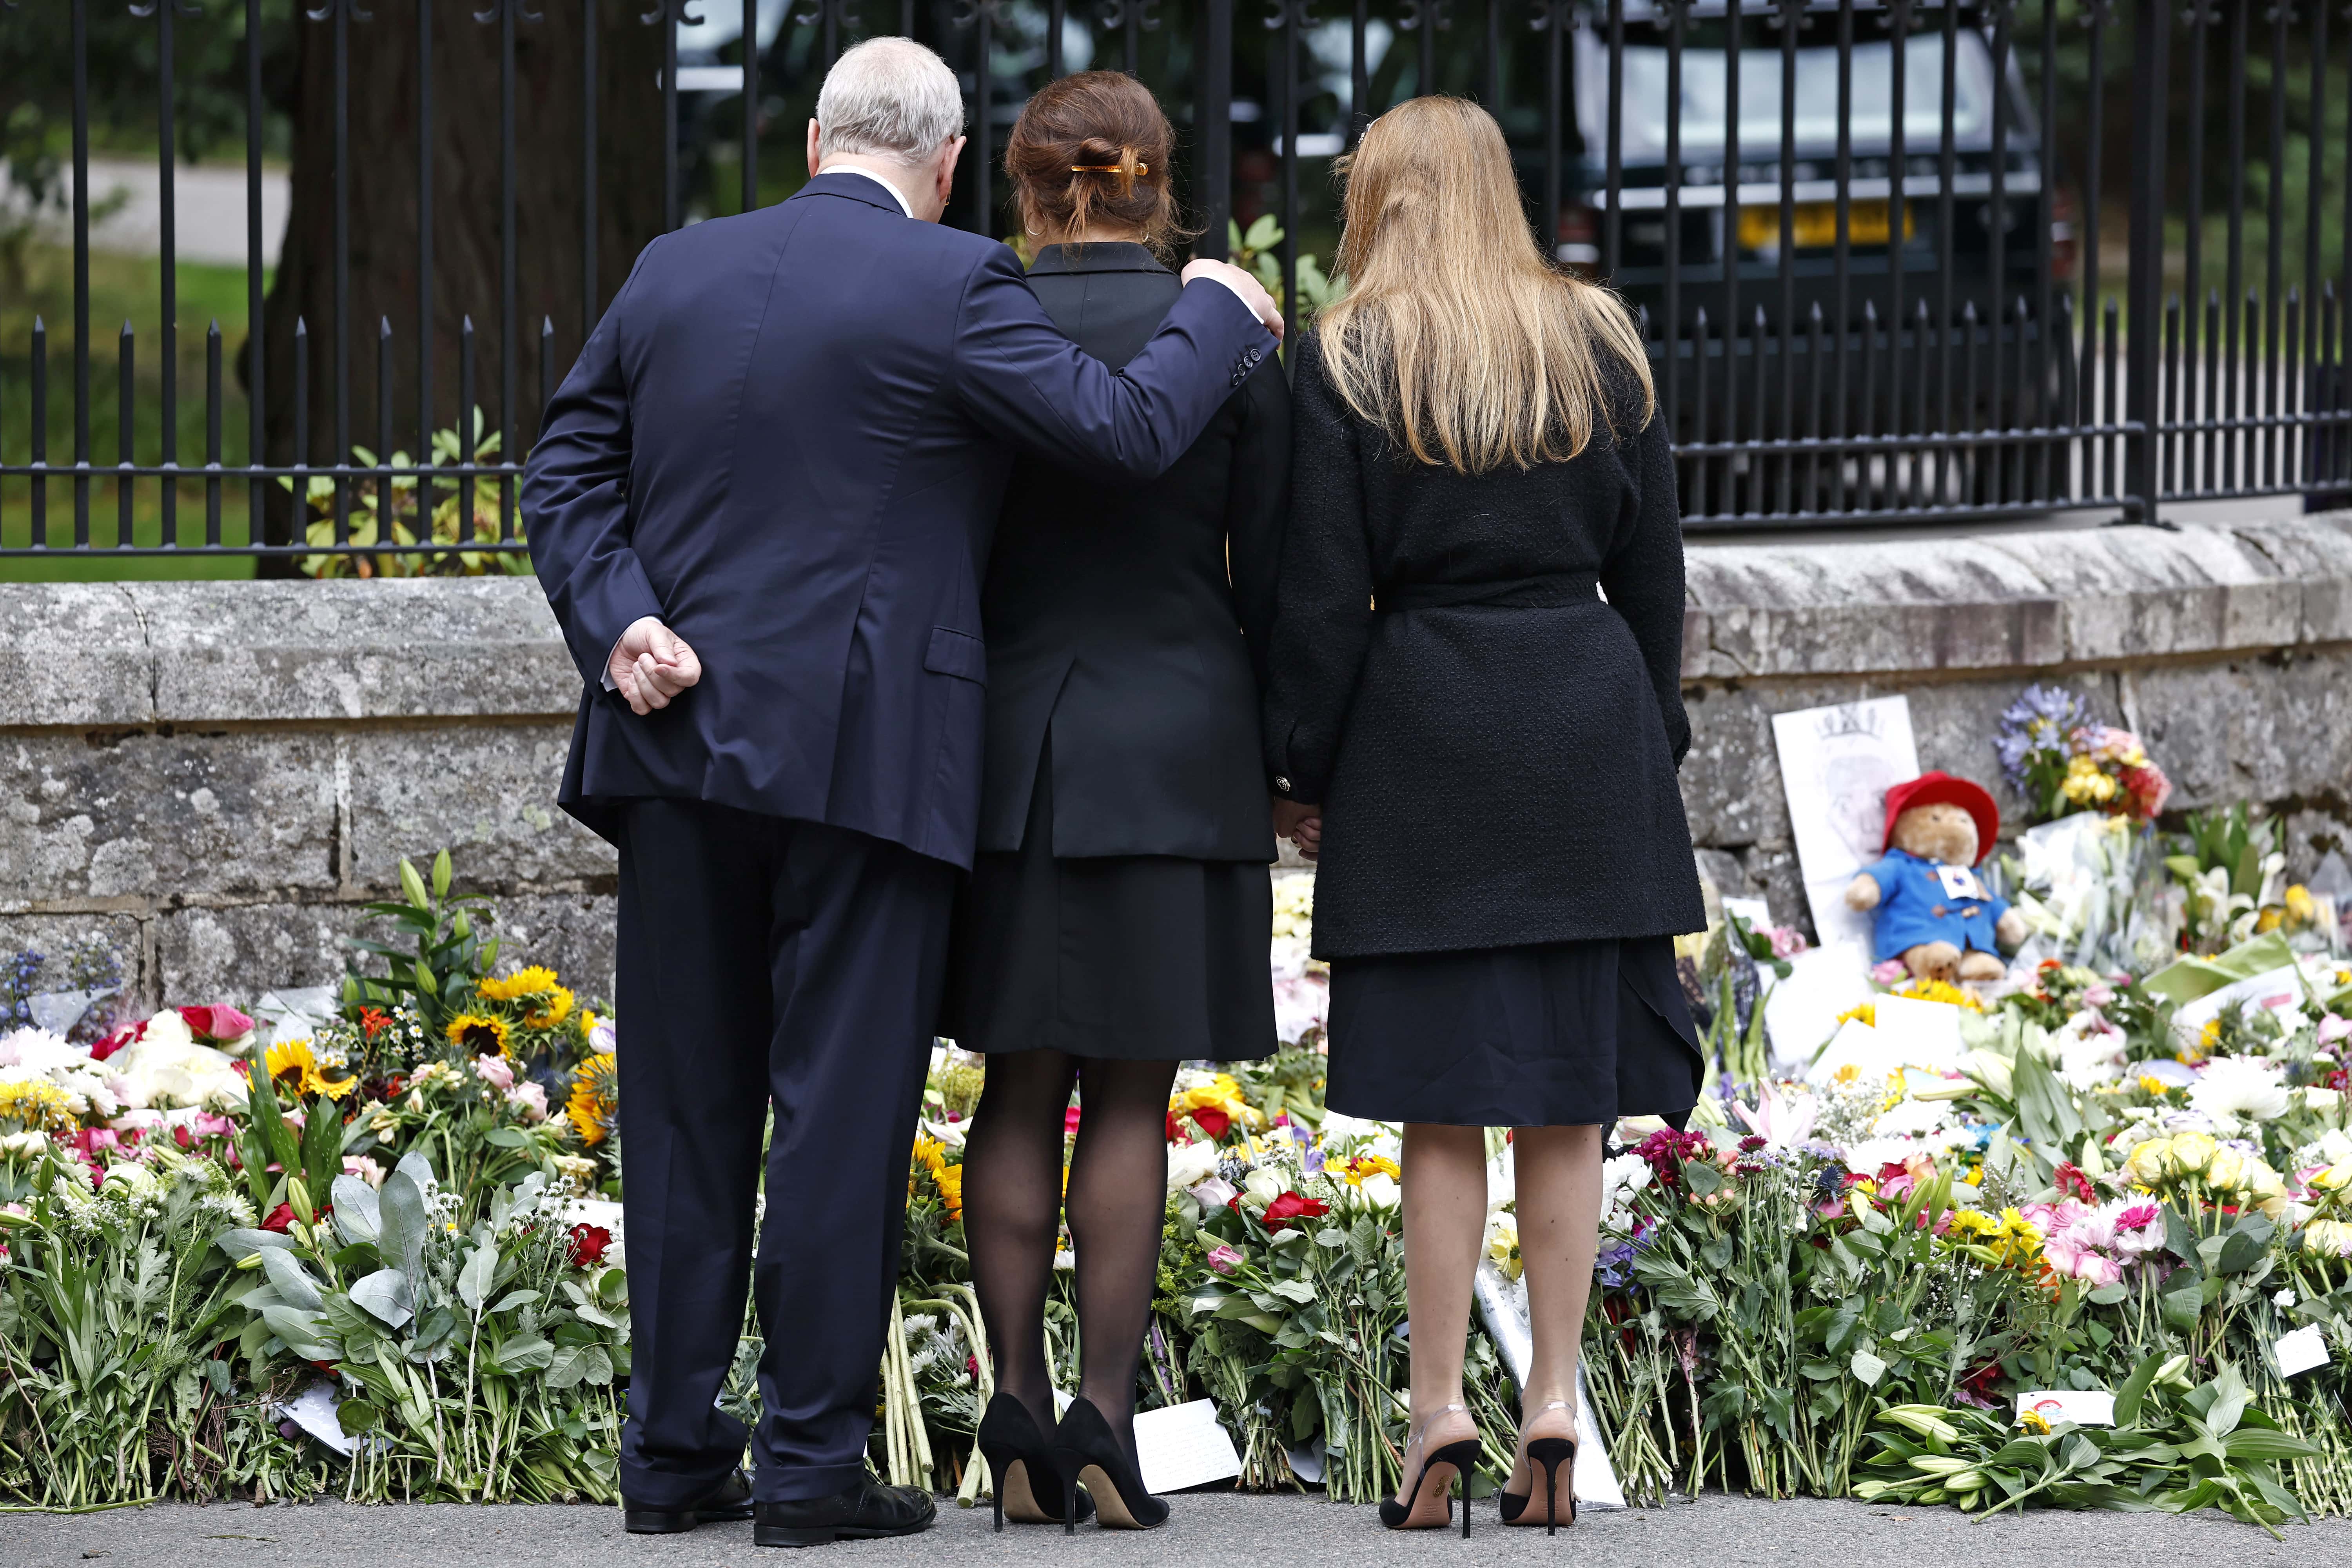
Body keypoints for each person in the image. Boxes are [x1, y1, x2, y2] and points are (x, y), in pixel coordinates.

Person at [523, 37, 1279, 1550]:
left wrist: (621, 620)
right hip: (863, 763)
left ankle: (672, 1456)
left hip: (672, 749)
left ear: (813, 141)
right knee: (835, 1116)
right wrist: (1216, 309)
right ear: (943, 170)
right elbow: (1121, 432)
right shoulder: (953, 285)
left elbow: (565, 468)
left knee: (682, 1115)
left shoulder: (673, 266)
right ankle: (807, 1470)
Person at [1262, 96, 1704, 1536]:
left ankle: (1439, 1405)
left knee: (1442, 1113)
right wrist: (1651, 746)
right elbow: (1654, 586)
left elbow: (1324, 603)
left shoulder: (1344, 361)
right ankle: (1558, 1400)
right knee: (1567, 1103)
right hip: (1585, 725)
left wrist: (1304, 770)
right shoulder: (1600, 340)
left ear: (1378, 200)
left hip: (1424, 735)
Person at [940, 71, 1290, 1535]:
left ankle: (1013, 1400)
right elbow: (1273, 575)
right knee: (1132, 1090)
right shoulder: (1239, 335)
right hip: (1177, 746)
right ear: (1161, 185)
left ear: (1023, 186)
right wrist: (1291, 758)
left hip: (1010, 750)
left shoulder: (970, 317)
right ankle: (1103, 1412)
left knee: (1019, 1081)